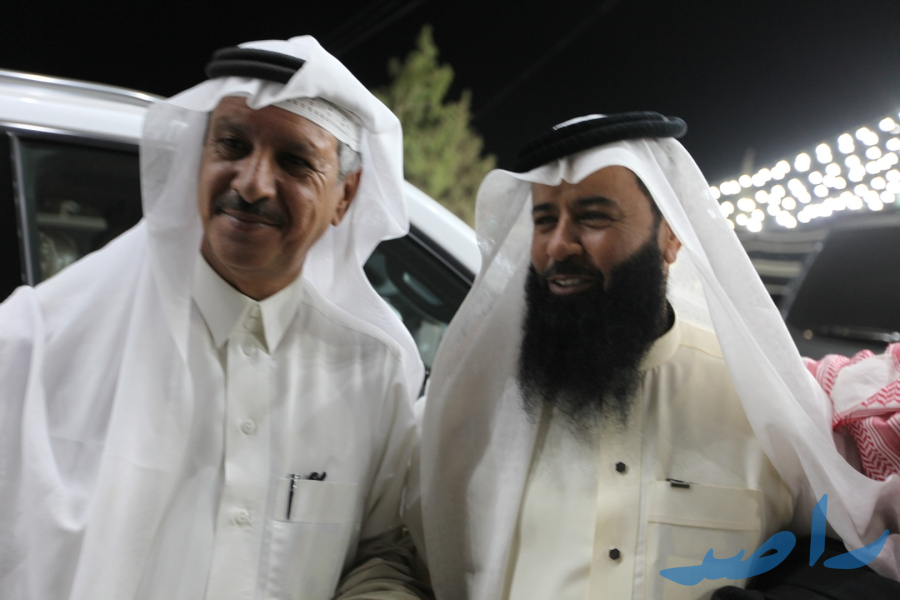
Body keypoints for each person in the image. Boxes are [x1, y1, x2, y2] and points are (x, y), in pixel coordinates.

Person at [0, 37, 430, 600]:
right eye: (232, 145)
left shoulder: (373, 370)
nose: (251, 184)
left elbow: (378, 554)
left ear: (345, 196)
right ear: (200, 157)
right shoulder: (39, 339)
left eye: (295, 161)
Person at [408, 112, 900, 599]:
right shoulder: (469, 409)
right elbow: (400, 558)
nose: (558, 244)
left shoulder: (759, 403)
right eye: (544, 221)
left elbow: (864, 547)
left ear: (670, 235)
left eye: (593, 217)